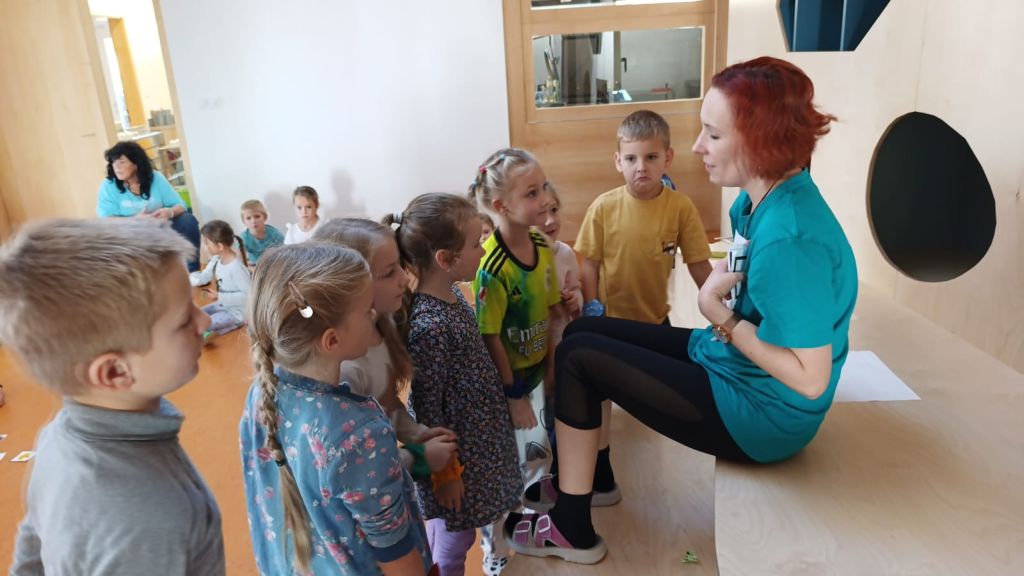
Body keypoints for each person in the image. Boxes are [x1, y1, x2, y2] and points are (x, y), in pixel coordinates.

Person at [505, 56, 858, 564]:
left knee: (578, 359)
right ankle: (591, 479)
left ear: (760, 141)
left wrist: (718, 312)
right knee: (580, 338)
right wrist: (723, 304)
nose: (696, 147)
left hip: (761, 416)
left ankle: (571, 526)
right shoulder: (760, 199)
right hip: (732, 365)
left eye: (712, 134)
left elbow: (810, 378)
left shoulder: (791, 239)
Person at [0, 218, 224, 574]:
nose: (205, 321)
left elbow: (32, 546)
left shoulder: (56, 437)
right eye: (184, 320)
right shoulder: (150, 519)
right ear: (115, 373)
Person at [524, 109, 715, 514]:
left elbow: (700, 266)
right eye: (631, 158)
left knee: (662, 397)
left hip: (656, 323)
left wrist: (725, 313)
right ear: (617, 161)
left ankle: (618, 470)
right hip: (610, 321)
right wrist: (593, 313)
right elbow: (589, 264)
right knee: (598, 399)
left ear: (668, 158)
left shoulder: (680, 208)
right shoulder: (604, 207)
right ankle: (598, 473)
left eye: (651, 157)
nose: (640, 167)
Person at [240, 242, 435, 575]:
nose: (374, 315)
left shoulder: (261, 392)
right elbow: (397, 555)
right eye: (366, 310)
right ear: (331, 340)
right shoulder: (359, 432)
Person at [388, 193, 522, 576]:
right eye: (477, 244)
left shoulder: (453, 294)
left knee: (458, 530)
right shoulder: (429, 328)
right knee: (452, 541)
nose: (484, 250)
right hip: (454, 460)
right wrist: (446, 476)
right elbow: (427, 410)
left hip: (474, 447)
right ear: (446, 259)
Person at [468, 148, 564, 574]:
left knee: (538, 454)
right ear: (501, 205)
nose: (545, 200)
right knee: (502, 470)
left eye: (543, 187)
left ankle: (530, 525)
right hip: (507, 386)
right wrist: (512, 394)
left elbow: (552, 307)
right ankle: (495, 548)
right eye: (532, 193)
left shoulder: (542, 244)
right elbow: (489, 335)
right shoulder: (492, 267)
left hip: (537, 373)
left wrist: (553, 365)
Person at [313, 219, 458, 481]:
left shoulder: (383, 323)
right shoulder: (346, 371)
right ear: (350, 288)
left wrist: (418, 433)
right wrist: (419, 458)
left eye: (399, 266)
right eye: (390, 272)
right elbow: (356, 466)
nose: (405, 278)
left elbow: (388, 407)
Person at [96, 140, 201, 271]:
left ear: (136, 163)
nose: (116, 167)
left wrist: (169, 212)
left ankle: (192, 271)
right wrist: (134, 220)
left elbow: (180, 205)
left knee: (187, 220)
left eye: (122, 162)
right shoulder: (108, 185)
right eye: (113, 162)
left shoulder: (156, 178)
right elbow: (106, 220)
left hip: (159, 227)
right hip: (127, 232)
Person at [189, 220, 252, 340]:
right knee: (196, 314)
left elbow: (249, 295)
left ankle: (230, 326)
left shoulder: (236, 268)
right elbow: (205, 276)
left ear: (219, 246)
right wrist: (189, 278)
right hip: (223, 304)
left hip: (237, 312)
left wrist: (220, 296)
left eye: (207, 243)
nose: (205, 247)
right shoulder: (217, 259)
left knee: (205, 323)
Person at [239, 199, 284, 265]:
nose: (253, 221)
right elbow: (241, 260)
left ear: (265, 217)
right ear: (244, 221)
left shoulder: (274, 233)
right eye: (248, 218)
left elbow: (284, 252)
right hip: (255, 266)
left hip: (274, 263)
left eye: (257, 216)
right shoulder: (243, 238)